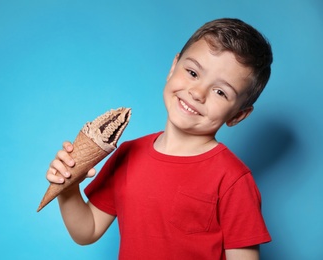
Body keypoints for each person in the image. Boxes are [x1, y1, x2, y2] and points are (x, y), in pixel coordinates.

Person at [46, 18, 272, 259]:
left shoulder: (233, 180)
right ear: (173, 67)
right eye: (193, 72)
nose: (197, 93)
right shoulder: (128, 154)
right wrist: (68, 189)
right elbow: (87, 231)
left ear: (238, 115)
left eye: (220, 92)